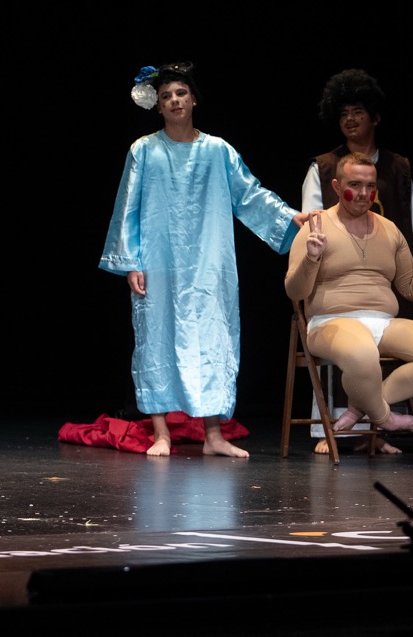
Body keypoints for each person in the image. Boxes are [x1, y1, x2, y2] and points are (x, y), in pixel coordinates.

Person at [99, 62, 309, 459]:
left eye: (181, 93)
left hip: (209, 261)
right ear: (157, 107)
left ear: (194, 99)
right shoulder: (143, 150)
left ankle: (213, 435)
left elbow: (249, 194)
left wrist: (288, 217)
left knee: (214, 337)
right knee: (155, 339)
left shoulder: (218, 151)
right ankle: (161, 433)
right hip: (158, 261)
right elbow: (126, 208)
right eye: (166, 96)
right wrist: (131, 262)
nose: (175, 100)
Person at [302, 69, 413, 453]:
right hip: (335, 277)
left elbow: (411, 219)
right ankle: (343, 428)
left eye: (358, 111)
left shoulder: (396, 166)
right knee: (347, 346)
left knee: (408, 340)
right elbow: (310, 219)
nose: (350, 120)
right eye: (343, 113)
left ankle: (371, 426)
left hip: (387, 271)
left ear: (375, 117)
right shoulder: (326, 166)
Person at [284, 152, 413, 436]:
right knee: (362, 351)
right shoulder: (315, 228)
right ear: (337, 187)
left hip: (382, 322)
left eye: (371, 186)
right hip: (330, 323)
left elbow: (412, 290)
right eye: (355, 185)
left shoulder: (389, 230)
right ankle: (385, 418)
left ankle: (362, 407)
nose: (364, 193)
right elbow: (294, 290)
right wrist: (311, 259)